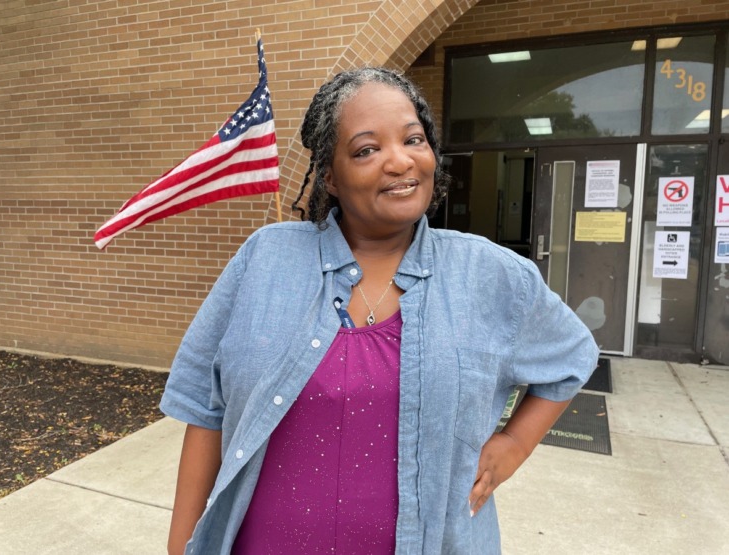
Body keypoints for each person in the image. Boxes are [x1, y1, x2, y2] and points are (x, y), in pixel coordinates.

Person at [161, 67, 599, 555]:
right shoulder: (266, 259)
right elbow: (206, 408)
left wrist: (514, 446)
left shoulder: (491, 274)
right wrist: (181, 546)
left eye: (414, 140)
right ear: (329, 174)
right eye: (367, 149)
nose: (399, 162)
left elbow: (573, 356)